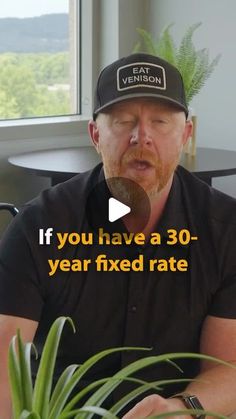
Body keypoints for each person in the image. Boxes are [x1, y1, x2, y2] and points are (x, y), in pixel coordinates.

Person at [0, 52, 236, 419]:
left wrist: (183, 409)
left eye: (159, 122)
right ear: (95, 134)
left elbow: (228, 368)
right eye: (124, 121)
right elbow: (3, 375)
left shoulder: (226, 231)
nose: (141, 138)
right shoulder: (36, 229)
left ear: (186, 134)